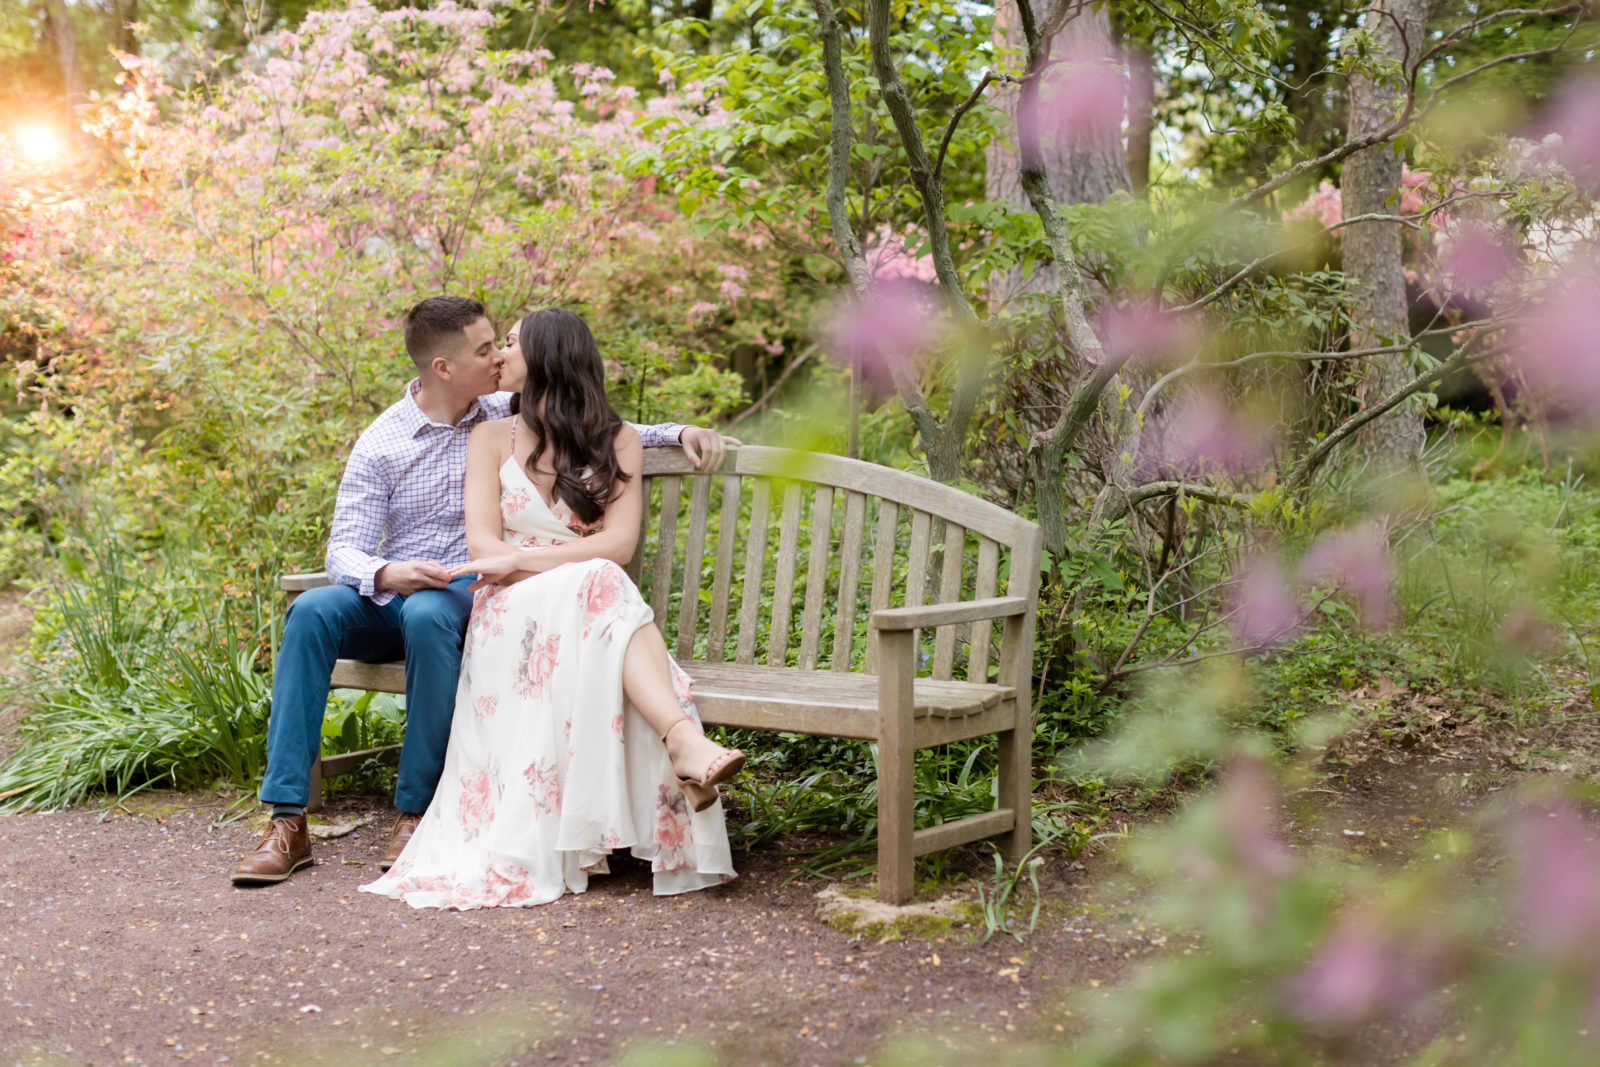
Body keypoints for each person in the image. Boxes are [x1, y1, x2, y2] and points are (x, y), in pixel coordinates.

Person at [232, 296, 734, 885]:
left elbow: (586, 416)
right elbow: (343, 549)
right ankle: (287, 820)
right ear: (444, 368)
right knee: (312, 611)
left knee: (428, 616)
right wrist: (388, 573)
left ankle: (414, 812)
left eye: (503, 344)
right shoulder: (384, 442)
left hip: (464, 595)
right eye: (485, 349)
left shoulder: (496, 408)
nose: (498, 357)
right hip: (402, 589)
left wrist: (678, 431)